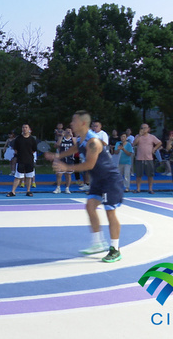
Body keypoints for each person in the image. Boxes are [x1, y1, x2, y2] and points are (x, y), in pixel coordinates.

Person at [45, 111, 124, 263]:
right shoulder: (81, 139)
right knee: (90, 207)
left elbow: (89, 164)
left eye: (73, 121)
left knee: (110, 213)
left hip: (109, 180)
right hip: (98, 180)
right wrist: (57, 156)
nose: (71, 124)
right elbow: (75, 149)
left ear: (82, 123)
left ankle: (115, 249)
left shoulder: (93, 142)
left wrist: (67, 167)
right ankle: (97, 243)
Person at [7, 124, 37, 197]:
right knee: (18, 177)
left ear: (29, 129)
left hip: (29, 160)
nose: (24, 129)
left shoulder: (32, 139)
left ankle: (28, 191)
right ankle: (13, 191)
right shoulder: (18, 139)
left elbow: (34, 150)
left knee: (29, 176)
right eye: (23, 127)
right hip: (20, 160)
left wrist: (28, 154)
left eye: (26, 127)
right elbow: (15, 149)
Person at [132, 123, 162, 194]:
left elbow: (159, 143)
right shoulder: (137, 136)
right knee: (139, 175)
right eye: (142, 128)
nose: (144, 129)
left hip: (149, 158)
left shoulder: (152, 137)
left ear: (148, 129)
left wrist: (154, 149)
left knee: (150, 175)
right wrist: (139, 135)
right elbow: (134, 144)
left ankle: (150, 189)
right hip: (139, 158)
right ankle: (138, 188)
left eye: (145, 128)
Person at [53, 129, 75, 194]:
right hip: (61, 159)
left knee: (68, 174)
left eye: (69, 131)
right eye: (67, 131)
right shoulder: (61, 139)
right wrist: (61, 136)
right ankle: (58, 188)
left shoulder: (73, 139)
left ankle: (67, 188)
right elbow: (56, 145)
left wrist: (72, 136)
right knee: (59, 174)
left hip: (70, 159)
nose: (68, 132)